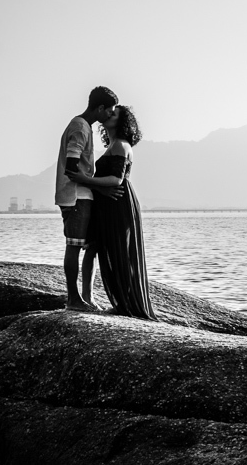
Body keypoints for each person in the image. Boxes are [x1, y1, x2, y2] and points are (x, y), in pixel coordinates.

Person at [67, 105, 156, 320]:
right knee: (93, 247)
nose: (108, 114)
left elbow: (116, 180)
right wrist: (95, 187)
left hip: (118, 202)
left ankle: (125, 304)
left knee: (118, 252)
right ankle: (87, 298)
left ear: (121, 122)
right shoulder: (113, 145)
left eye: (113, 113)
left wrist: (84, 179)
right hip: (105, 202)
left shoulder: (121, 145)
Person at [55, 86, 120, 311]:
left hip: (84, 195)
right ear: (100, 108)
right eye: (109, 109)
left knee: (91, 246)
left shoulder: (85, 127)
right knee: (74, 246)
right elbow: (72, 169)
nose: (111, 114)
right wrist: (101, 189)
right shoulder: (80, 127)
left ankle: (86, 297)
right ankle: (73, 300)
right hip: (75, 197)